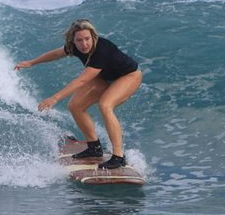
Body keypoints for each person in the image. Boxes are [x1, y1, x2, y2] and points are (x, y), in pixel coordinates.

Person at [14, 19, 142, 169]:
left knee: (105, 105)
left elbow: (81, 81)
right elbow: (56, 54)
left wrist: (55, 98)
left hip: (128, 76)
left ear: (93, 37)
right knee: (75, 106)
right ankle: (94, 148)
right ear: (73, 41)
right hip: (104, 77)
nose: (84, 44)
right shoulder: (74, 47)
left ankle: (119, 157)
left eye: (87, 39)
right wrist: (31, 62)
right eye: (79, 40)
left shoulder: (101, 50)